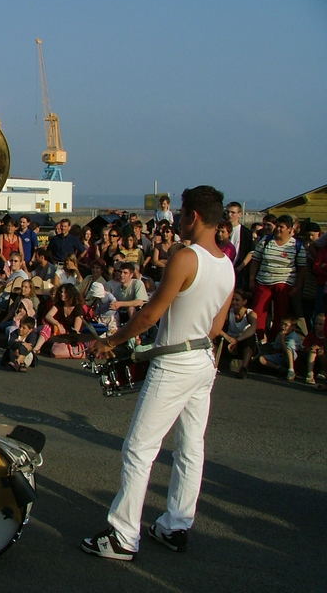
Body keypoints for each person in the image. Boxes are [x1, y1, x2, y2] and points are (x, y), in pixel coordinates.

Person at [81, 185, 234, 561]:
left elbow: (151, 313)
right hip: (203, 360)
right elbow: (216, 328)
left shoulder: (186, 257)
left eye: (182, 213)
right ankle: (175, 525)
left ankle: (123, 535)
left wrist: (111, 341)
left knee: (139, 448)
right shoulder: (226, 264)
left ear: (192, 216)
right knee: (191, 448)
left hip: (175, 364)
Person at [248, 214, 306, 342]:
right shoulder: (266, 240)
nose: (278, 229)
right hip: (263, 281)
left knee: (281, 314)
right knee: (258, 313)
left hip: (284, 283)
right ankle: (257, 339)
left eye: (282, 227)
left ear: (290, 229)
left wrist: (297, 287)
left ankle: (276, 341)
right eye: (277, 226)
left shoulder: (296, 245)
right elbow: (255, 261)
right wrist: (252, 279)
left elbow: (302, 268)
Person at [217, 289, 257, 379]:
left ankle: (244, 368)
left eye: (237, 300)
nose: (234, 302)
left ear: (244, 301)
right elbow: (216, 327)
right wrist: (228, 337)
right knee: (217, 337)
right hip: (230, 339)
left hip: (242, 340)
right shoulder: (228, 312)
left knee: (250, 339)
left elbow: (253, 328)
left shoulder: (250, 313)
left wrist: (237, 340)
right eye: (232, 299)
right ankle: (215, 363)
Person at [257, 316, 302, 381]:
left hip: (293, 358)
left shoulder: (293, 337)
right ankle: (280, 368)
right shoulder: (280, 334)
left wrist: (282, 340)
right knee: (261, 359)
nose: (283, 326)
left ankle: (291, 370)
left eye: (286, 325)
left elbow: (287, 351)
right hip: (281, 356)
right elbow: (276, 347)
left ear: (293, 327)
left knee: (289, 349)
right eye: (282, 324)